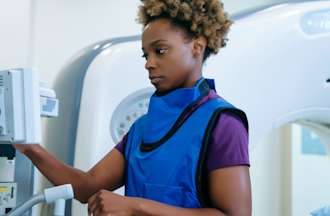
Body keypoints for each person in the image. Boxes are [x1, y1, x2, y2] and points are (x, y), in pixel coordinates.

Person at [14, 0, 252, 215]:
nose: (149, 64)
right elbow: (86, 187)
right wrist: (28, 147)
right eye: (145, 55)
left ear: (197, 47)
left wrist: (135, 206)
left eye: (160, 51)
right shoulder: (141, 129)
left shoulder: (223, 122)